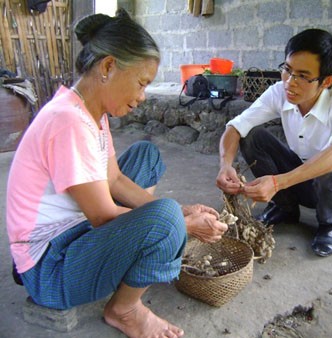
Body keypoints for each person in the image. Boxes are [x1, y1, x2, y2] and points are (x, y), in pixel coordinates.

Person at [6, 9, 227, 338]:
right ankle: (125, 308)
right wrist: (181, 223)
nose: (141, 97)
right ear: (108, 67)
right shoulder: (68, 121)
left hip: (71, 233)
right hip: (49, 269)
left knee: (146, 156)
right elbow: (103, 216)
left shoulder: (92, 114)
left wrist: (184, 210)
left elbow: (115, 180)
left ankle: (141, 246)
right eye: (141, 83)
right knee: (165, 221)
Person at [216, 28, 332, 257]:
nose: (290, 83)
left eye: (303, 76)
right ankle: (285, 207)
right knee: (252, 136)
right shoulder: (280, 91)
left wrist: (277, 182)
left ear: (326, 81)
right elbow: (235, 127)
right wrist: (225, 165)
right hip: (301, 181)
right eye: (287, 70)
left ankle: (330, 224)